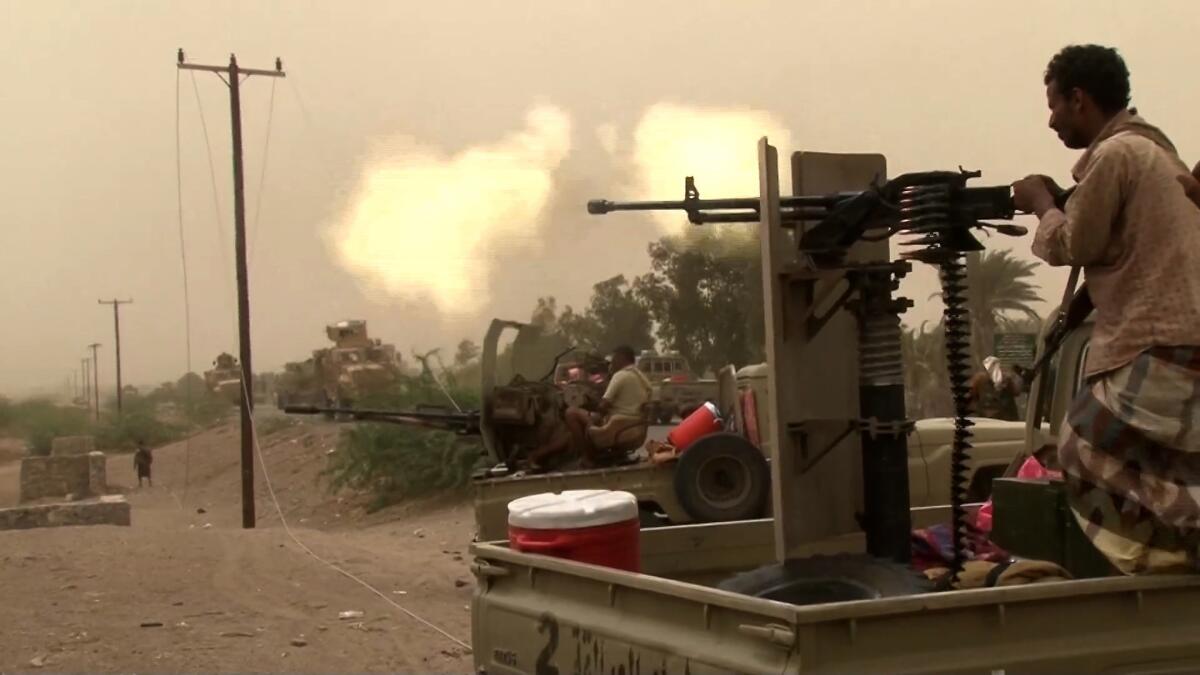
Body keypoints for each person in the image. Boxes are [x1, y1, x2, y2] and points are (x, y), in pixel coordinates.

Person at [1011, 44, 1200, 574]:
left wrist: (1042, 206)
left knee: (1080, 447)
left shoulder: (1117, 155)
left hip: (1151, 342)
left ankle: (1156, 560)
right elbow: (1132, 248)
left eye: (1054, 105)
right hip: (1181, 341)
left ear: (1079, 99)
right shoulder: (1160, 156)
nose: (1051, 120)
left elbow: (1074, 245)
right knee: (1166, 468)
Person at [967, 356, 1020, 420]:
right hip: (990, 417)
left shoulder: (1007, 378)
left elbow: (1016, 391)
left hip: (1004, 417)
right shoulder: (979, 379)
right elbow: (971, 395)